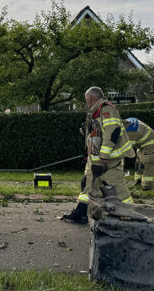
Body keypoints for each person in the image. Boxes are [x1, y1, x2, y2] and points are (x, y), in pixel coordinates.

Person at [62, 87, 134, 224]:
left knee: (118, 188)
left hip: (109, 161)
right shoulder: (96, 111)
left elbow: (112, 132)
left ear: (90, 98)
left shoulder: (107, 110)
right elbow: (99, 132)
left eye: (86, 99)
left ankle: (130, 215)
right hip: (96, 160)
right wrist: (87, 132)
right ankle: (80, 213)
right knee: (87, 185)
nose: (86, 102)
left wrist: (104, 156)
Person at [124, 117, 154, 190]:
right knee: (139, 163)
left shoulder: (130, 133)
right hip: (142, 144)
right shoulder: (127, 123)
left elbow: (126, 149)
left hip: (150, 145)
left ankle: (147, 186)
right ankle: (138, 181)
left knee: (148, 164)